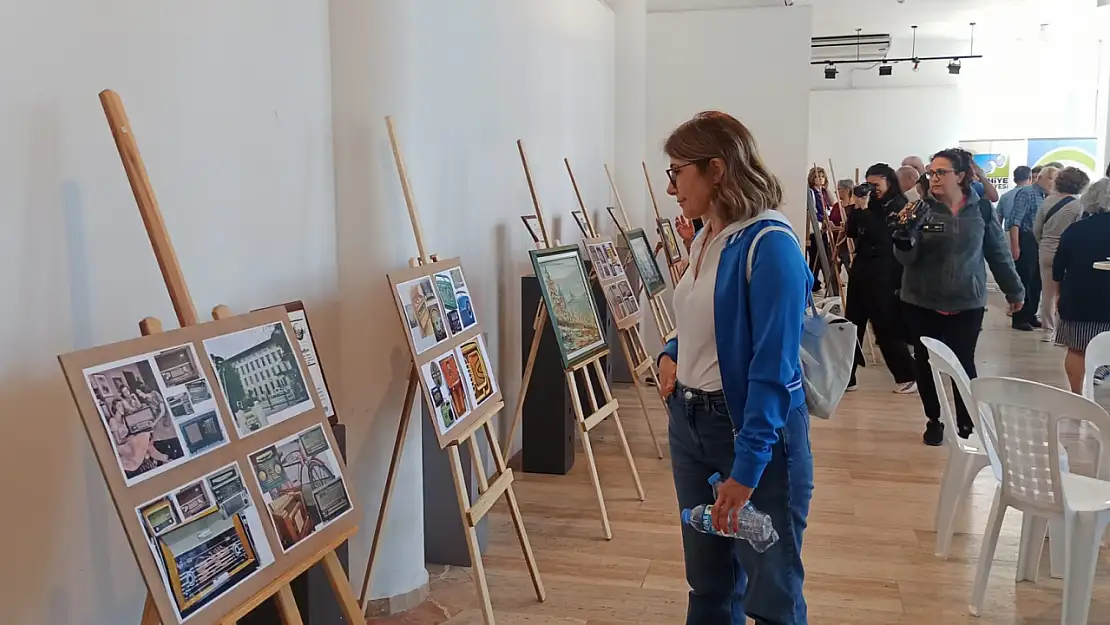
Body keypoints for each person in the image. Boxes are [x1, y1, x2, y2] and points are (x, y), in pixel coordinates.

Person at [658, 111, 812, 625]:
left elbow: (773, 368)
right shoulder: (707, 236)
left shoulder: (771, 245)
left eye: (677, 172)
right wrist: (672, 351)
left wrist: (748, 469)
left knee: (771, 593)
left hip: (748, 429)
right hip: (690, 423)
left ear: (717, 169)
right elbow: (704, 320)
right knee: (708, 583)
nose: (671, 187)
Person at [892, 148, 1024, 445]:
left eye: (942, 172)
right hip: (922, 300)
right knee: (925, 361)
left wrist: (1014, 289)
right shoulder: (919, 209)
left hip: (967, 301)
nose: (934, 178)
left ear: (961, 176)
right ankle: (934, 419)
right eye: (931, 173)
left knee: (963, 361)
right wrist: (902, 239)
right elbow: (906, 259)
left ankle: (966, 421)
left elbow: (998, 253)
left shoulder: (982, 210)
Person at [844, 164, 917, 393]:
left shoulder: (899, 205)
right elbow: (851, 232)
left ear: (889, 182)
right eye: (869, 184)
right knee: (852, 324)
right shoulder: (869, 203)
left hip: (885, 269)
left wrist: (865, 211)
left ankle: (907, 375)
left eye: (876, 185)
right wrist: (858, 208)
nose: (872, 189)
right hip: (862, 267)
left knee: (885, 324)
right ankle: (846, 377)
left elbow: (882, 236)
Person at [1053, 176, 1110, 393]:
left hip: (1079, 299)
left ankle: (1077, 394)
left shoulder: (1075, 229)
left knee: (1077, 349)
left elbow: (1058, 268)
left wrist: (1059, 296)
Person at [1034, 167, 1090, 338]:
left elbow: (1036, 228)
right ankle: (1063, 328)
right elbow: (1079, 232)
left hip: (1046, 249)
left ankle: (1047, 330)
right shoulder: (1078, 205)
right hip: (1067, 253)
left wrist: (1043, 243)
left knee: (1048, 293)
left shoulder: (1048, 201)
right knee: (1065, 291)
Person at [1008, 165, 1059, 331]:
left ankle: (1031, 314)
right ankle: (1019, 318)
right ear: (1040, 177)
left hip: (1041, 240)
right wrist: (1015, 245)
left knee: (1037, 280)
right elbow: (1015, 221)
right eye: (1050, 178)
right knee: (1025, 278)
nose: (1052, 183)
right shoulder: (1026, 193)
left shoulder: (1049, 197)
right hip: (1026, 238)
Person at [806, 166, 834, 294]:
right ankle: (813, 282)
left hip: (825, 227)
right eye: (817, 176)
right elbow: (813, 211)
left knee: (825, 254)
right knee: (815, 256)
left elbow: (830, 207)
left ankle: (823, 281)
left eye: (822, 176)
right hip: (816, 228)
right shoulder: (811, 192)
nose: (820, 179)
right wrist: (824, 219)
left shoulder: (824, 193)